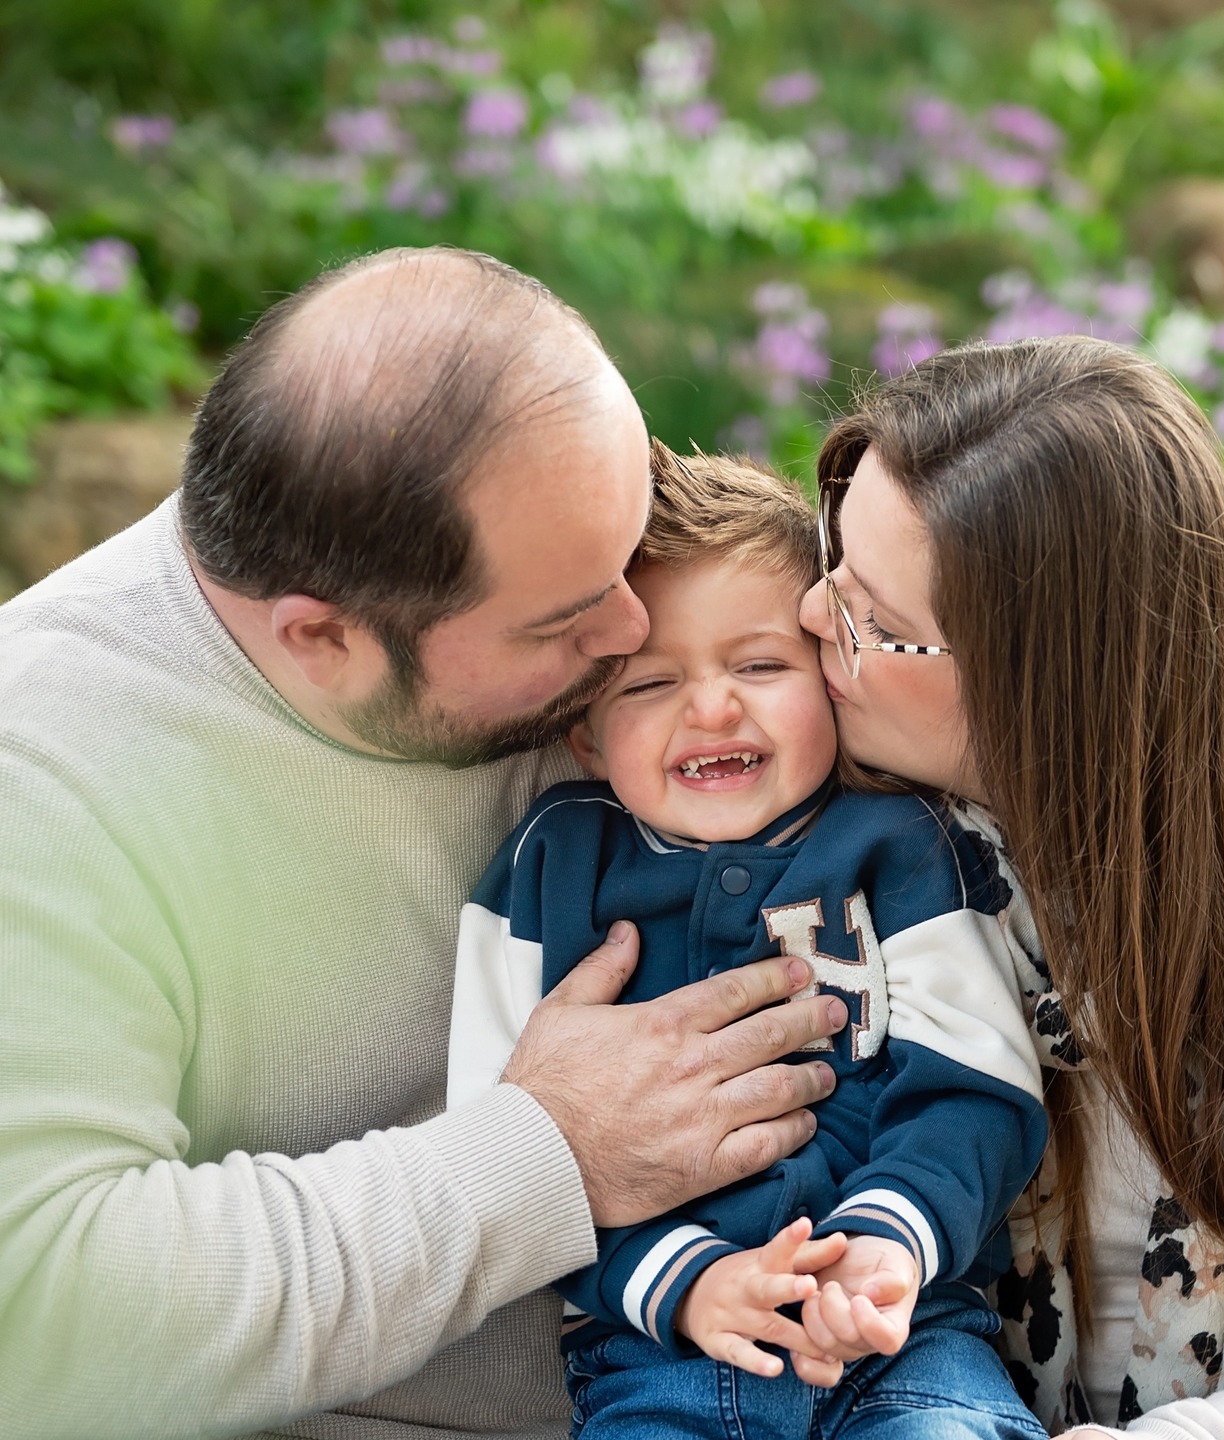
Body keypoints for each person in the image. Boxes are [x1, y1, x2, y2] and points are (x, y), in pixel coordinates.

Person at [0, 248, 848, 1440]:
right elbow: (44, 1312)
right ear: (324, 639)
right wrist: (546, 1153)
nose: (635, 629)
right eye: (568, 621)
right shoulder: (43, 774)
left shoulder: (566, 582)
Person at [794, 333, 1224, 1438]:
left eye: (876, 626)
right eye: (830, 566)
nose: (813, 620)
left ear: (1046, 692)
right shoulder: (815, 807)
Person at [448, 442, 1048, 1439]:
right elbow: (498, 1148)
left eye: (762, 665)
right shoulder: (552, 867)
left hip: (905, 1339)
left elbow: (974, 1084)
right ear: (585, 733)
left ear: (831, 673)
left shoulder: (901, 843)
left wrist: (885, 1243)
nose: (712, 705)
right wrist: (686, 1282)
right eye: (647, 685)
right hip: (659, 1361)